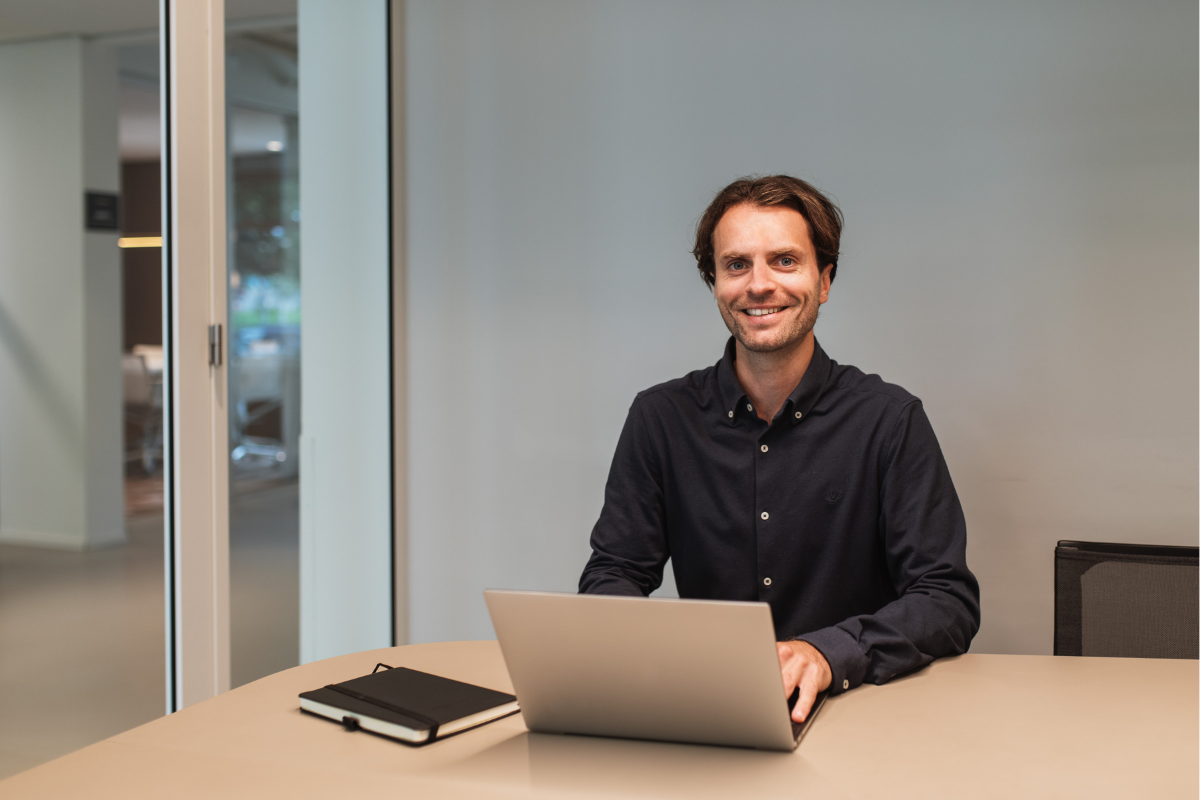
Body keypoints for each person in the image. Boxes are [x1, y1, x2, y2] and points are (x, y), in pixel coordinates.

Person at [579, 175, 980, 724]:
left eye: (785, 261)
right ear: (715, 282)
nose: (758, 285)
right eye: (737, 265)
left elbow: (946, 599)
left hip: (861, 709)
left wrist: (825, 653)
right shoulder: (659, 419)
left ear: (825, 281)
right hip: (709, 709)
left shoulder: (889, 419)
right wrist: (652, 653)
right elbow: (614, 572)